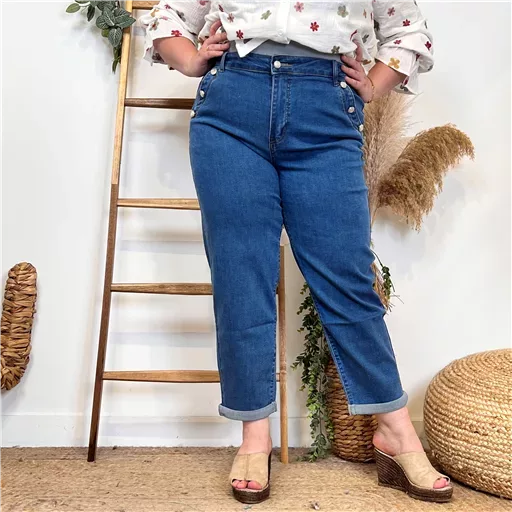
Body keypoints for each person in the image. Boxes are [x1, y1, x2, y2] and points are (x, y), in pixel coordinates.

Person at [139, 0, 453, 505]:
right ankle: (254, 437)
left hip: (326, 109)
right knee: (241, 276)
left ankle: (395, 430)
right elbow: (167, 15)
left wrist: (374, 84)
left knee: (347, 277)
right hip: (230, 109)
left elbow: (408, 30)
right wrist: (191, 60)